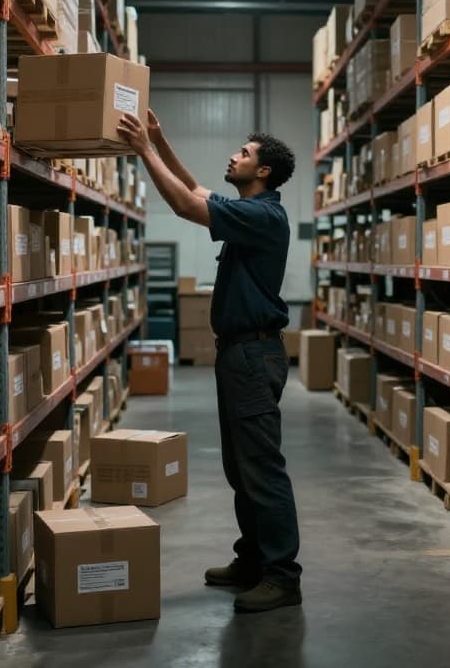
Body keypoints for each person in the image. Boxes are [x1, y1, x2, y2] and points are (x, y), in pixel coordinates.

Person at [117, 110, 302, 613]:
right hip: (238, 353)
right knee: (240, 470)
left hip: (252, 354)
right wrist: (160, 139)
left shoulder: (265, 216)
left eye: (243, 153)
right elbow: (196, 189)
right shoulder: (250, 210)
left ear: (263, 172)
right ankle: (254, 560)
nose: (233, 155)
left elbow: (182, 205)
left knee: (261, 469)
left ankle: (283, 577)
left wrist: (143, 152)